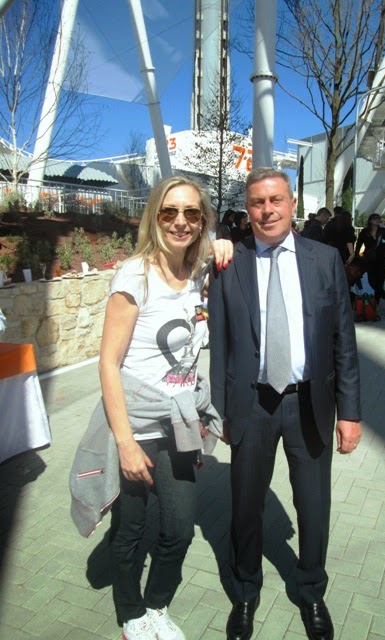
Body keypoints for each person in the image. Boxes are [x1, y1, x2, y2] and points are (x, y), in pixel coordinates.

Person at [208, 167, 362, 640]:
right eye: (257, 202)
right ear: (248, 209)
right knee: (246, 505)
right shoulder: (229, 261)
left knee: (313, 506)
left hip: (309, 403)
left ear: (293, 204)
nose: (267, 210)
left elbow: (343, 340)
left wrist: (350, 411)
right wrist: (220, 411)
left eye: (276, 200)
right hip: (250, 405)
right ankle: (246, 591)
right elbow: (219, 343)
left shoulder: (324, 259)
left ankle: (312, 590)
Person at [97, 175, 230, 640]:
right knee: (130, 530)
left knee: (179, 528)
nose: (180, 221)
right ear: (154, 216)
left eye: (191, 213)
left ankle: (156, 607)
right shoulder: (134, 275)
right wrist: (125, 443)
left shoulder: (197, 271)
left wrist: (222, 243)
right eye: (169, 212)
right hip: (136, 423)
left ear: (202, 220)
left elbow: (219, 251)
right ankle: (131, 614)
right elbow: (108, 364)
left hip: (181, 422)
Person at [354, 213, 385, 303]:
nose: (377, 220)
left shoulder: (383, 231)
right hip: (369, 259)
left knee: (380, 281)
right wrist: (356, 256)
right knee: (372, 281)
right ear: (370, 220)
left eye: (378, 218)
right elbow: (359, 244)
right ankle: (384, 296)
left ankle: (376, 303)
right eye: (375, 218)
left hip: (382, 258)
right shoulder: (365, 231)